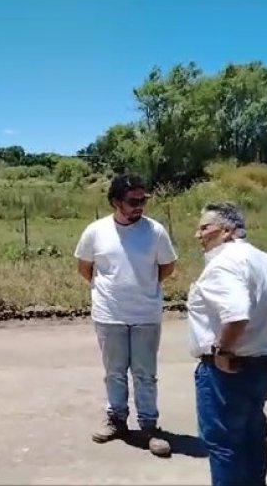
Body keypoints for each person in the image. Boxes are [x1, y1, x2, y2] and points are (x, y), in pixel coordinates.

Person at [73, 173, 178, 457]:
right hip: (109, 314)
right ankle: (117, 421)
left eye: (143, 200)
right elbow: (85, 267)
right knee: (115, 373)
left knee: (145, 374)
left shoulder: (155, 231)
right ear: (115, 202)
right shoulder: (96, 231)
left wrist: (143, 287)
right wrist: (108, 290)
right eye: (133, 201)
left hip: (146, 313)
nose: (139, 206)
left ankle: (149, 428)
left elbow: (166, 267)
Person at [186, 201, 267, 486]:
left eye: (205, 227)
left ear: (228, 231)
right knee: (252, 440)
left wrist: (222, 351)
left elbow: (236, 315)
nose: (198, 235)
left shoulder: (224, 263)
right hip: (261, 367)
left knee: (224, 446)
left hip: (228, 371)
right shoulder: (266, 260)